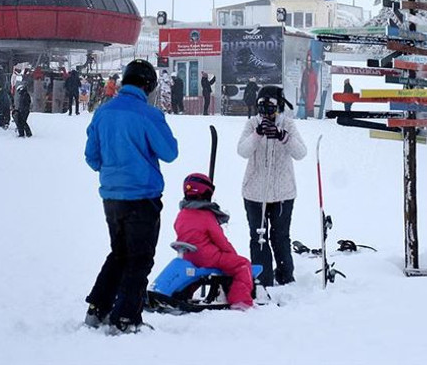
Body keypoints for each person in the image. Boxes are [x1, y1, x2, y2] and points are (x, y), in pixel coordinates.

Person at [83, 59, 178, 334]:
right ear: (148, 85)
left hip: (111, 197)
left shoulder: (103, 112)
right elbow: (170, 153)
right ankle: (126, 318)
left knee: (120, 253)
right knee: (139, 258)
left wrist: (113, 170)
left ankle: (98, 308)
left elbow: (92, 157)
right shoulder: (148, 115)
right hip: (142, 196)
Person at [237, 85, 307, 287]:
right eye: (262, 107)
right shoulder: (252, 124)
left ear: (279, 106)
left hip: (282, 192)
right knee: (258, 236)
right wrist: (257, 135)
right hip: (255, 192)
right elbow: (242, 151)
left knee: (280, 236)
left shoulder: (288, 124)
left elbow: (301, 153)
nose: (266, 113)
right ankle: (262, 278)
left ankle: (285, 276)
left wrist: (283, 137)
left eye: (271, 107)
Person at [174, 173, 254, 310]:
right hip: (207, 257)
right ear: (206, 192)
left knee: (196, 274)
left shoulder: (182, 214)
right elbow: (220, 240)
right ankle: (240, 300)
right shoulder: (206, 216)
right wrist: (232, 255)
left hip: (187, 256)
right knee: (242, 264)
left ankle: (182, 294)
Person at [299, 50, 319, 118]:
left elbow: (316, 86)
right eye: (308, 60)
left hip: (311, 97)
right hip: (306, 96)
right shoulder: (305, 72)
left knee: (311, 115)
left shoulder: (313, 73)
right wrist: (303, 95)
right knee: (306, 114)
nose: (309, 62)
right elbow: (302, 85)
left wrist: (314, 96)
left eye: (310, 60)